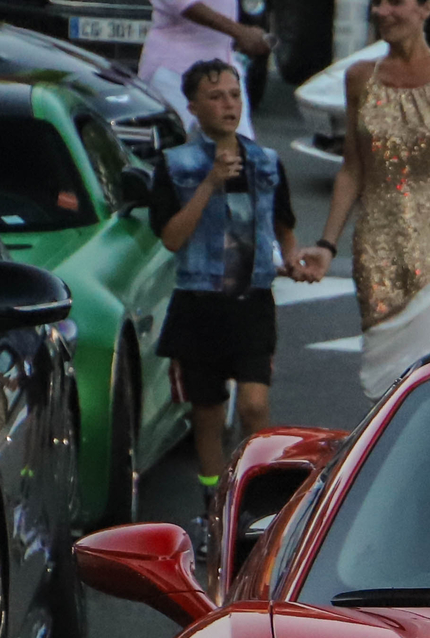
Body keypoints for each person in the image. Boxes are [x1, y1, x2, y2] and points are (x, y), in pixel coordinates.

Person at [297, 0, 430, 396]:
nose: (381, 11)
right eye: (377, 3)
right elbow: (353, 169)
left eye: (394, 2)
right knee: (389, 380)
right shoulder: (359, 77)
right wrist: (327, 244)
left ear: (425, 8)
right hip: (379, 248)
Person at [151, 61, 313, 499]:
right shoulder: (175, 165)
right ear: (193, 107)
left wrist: (295, 259)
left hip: (252, 300)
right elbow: (171, 237)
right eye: (216, 96)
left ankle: (252, 494)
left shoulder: (265, 162)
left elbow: (283, 226)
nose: (228, 104)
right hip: (199, 303)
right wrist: (209, 183)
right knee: (207, 417)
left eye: (234, 94)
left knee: (254, 405)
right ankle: (215, 501)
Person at [139, 0, 268, 137]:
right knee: (181, 147)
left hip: (223, 69)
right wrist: (240, 32)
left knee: (242, 149)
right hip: (176, 74)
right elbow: (184, 5)